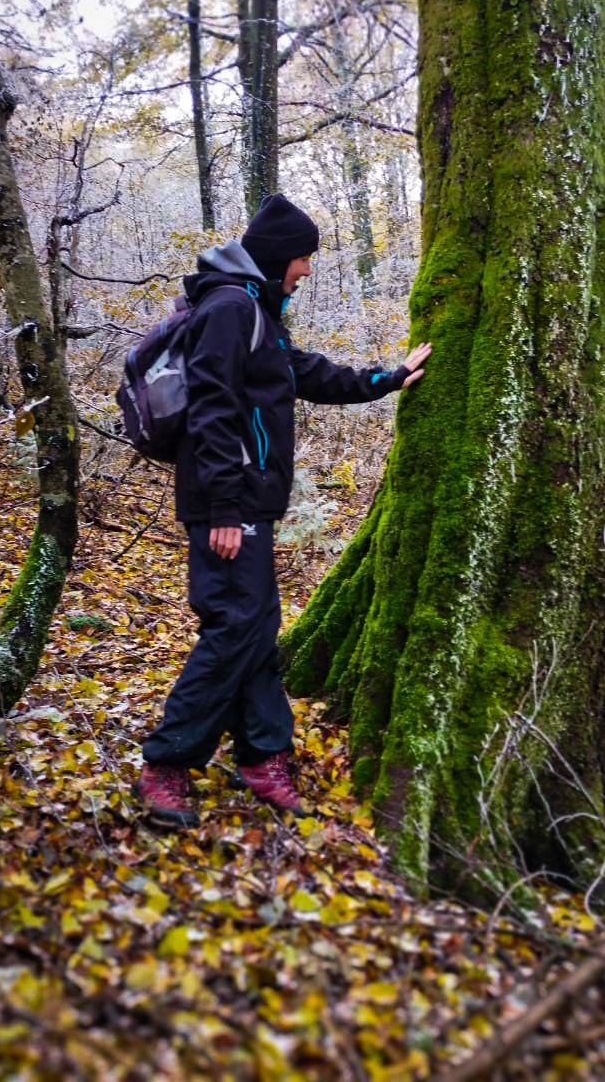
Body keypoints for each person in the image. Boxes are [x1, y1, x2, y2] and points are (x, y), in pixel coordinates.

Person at [134, 193, 431, 828]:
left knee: (255, 626)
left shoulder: (256, 313)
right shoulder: (229, 308)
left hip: (246, 500)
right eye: (302, 257)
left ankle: (262, 754)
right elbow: (212, 411)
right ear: (275, 256)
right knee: (234, 627)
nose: (307, 268)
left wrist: (385, 378)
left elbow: (301, 373)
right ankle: (167, 764)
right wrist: (222, 508)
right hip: (227, 502)